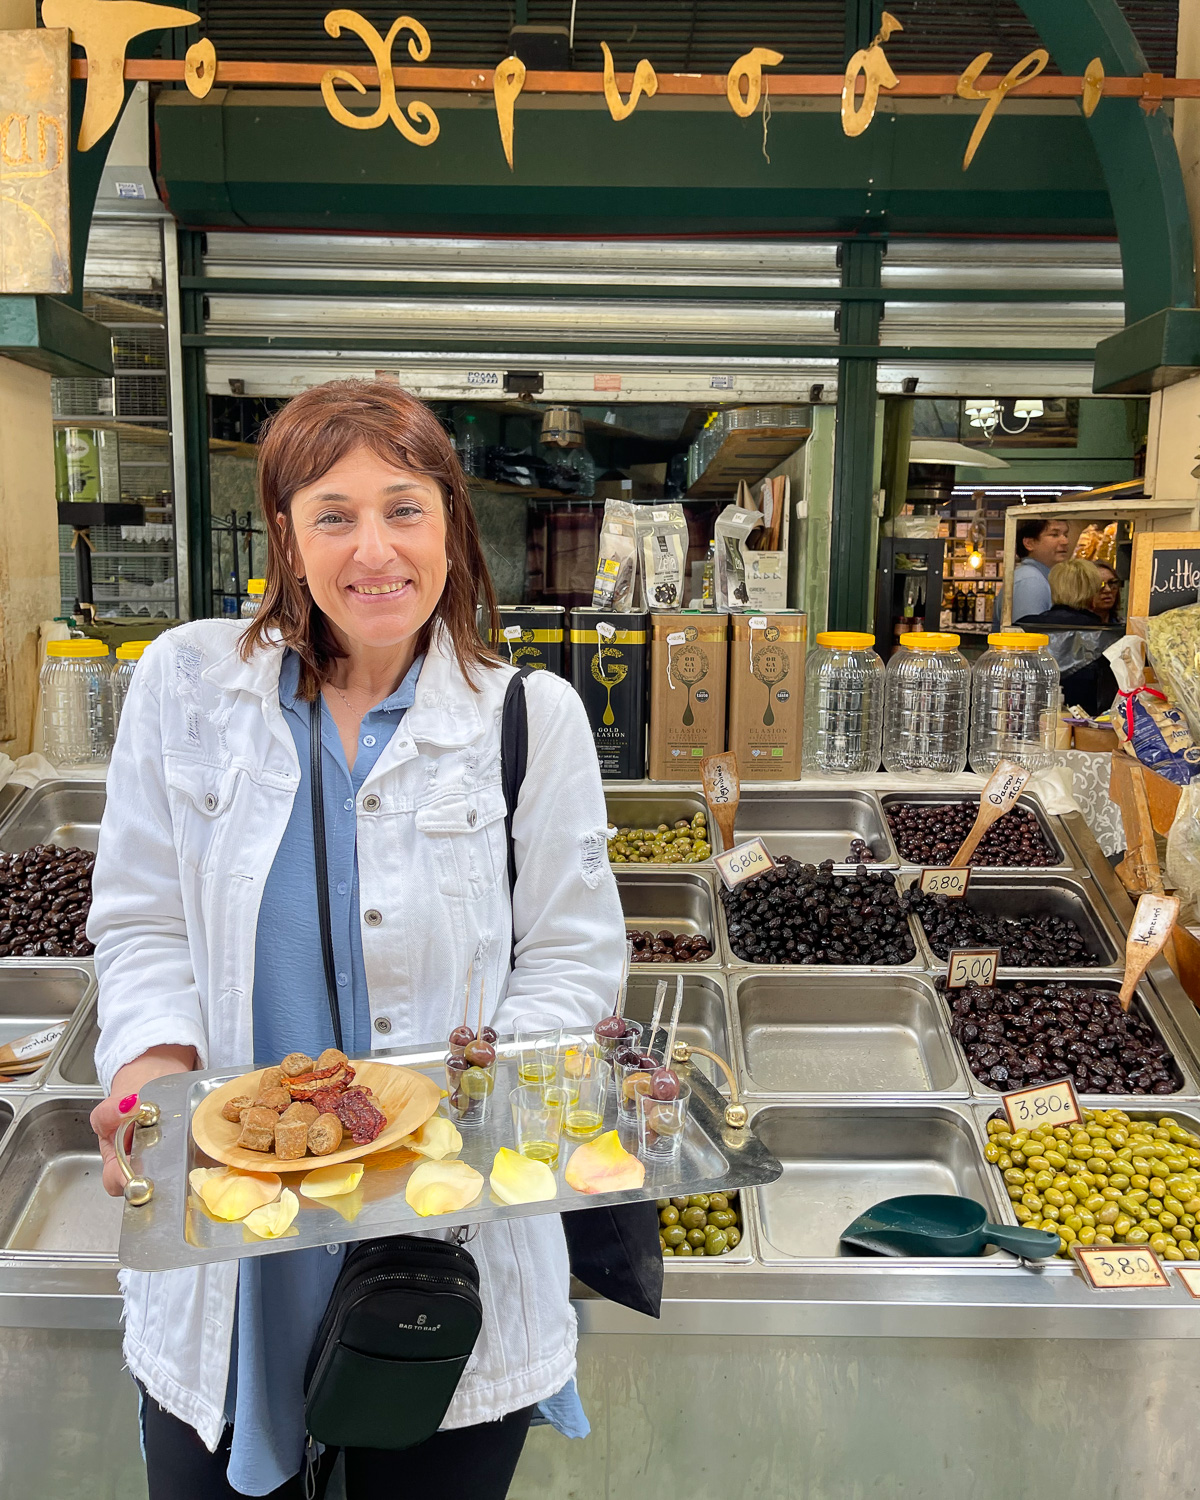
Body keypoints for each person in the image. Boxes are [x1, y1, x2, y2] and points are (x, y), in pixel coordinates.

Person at [87, 380, 626, 1499]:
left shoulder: (529, 719)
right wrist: (153, 1064)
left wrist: (457, 1108)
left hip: (444, 1239)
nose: (372, 549)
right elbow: (141, 920)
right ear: (285, 534)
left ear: (451, 526)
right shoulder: (187, 689)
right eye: (333, 514)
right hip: (237, 1234)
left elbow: (573, 963)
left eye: (404, 508)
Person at [1016, 557, 1119, 717]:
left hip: (1028, 725)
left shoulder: (1024, 628)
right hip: (1086, 730)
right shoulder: (1106, 637)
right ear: (1091, 593)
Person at [991, 516, 1071, 626]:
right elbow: (1028, 637)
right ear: (1029, 543)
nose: (1065, 541)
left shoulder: (1039, 577)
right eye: (1054, 535)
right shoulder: (1030, 581)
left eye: (1065, 535)